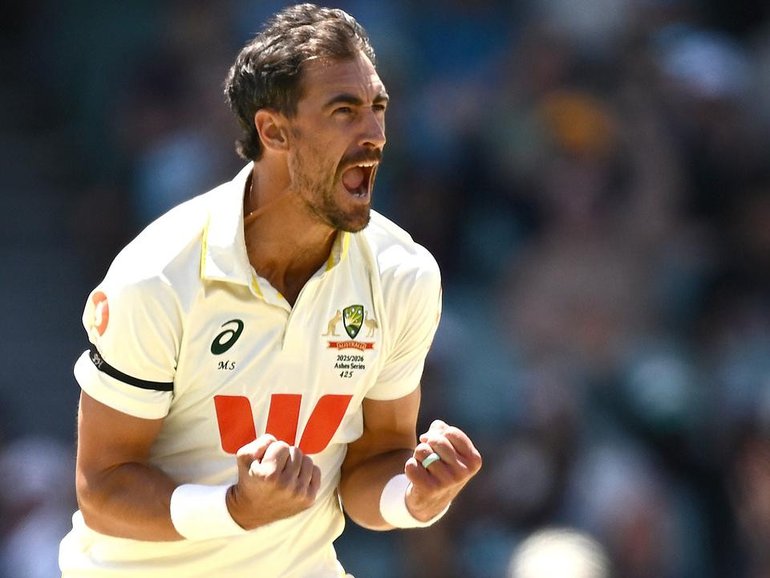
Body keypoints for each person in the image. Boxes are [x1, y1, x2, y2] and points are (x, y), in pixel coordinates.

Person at [58, 4, 482, 577]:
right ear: (274, 131)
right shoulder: (158, 275)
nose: (375, 135)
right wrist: (235, 509)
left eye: (378, 108)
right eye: (344, 111)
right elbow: (102, 487)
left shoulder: (403, 274)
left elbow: (374, 461)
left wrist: (414, 497)